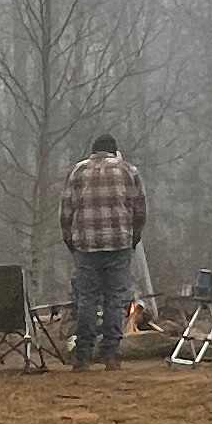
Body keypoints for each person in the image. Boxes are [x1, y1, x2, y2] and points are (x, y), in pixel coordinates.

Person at [59, 132, 147, 368]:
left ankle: (83, 355)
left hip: (85, 246)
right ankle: (110, 354)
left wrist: (71, 241)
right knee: (115, 299)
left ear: (93, 150)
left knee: (86, 300)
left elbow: (66, 211)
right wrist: (133, 238)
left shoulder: (77, 171)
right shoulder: (128, 170)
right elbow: (139, 209)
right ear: (114, 150)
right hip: (119, 244)